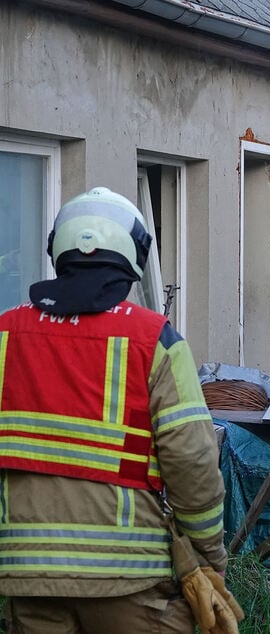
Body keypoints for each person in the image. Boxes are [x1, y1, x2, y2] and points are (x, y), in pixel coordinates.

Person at [0, 187, 240, 632]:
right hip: (128, 576)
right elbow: (192, 459)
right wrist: (208, 556)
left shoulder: (5, 332)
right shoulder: (154, 339)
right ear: (132, 258)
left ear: (58, 250)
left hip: (25, 571)